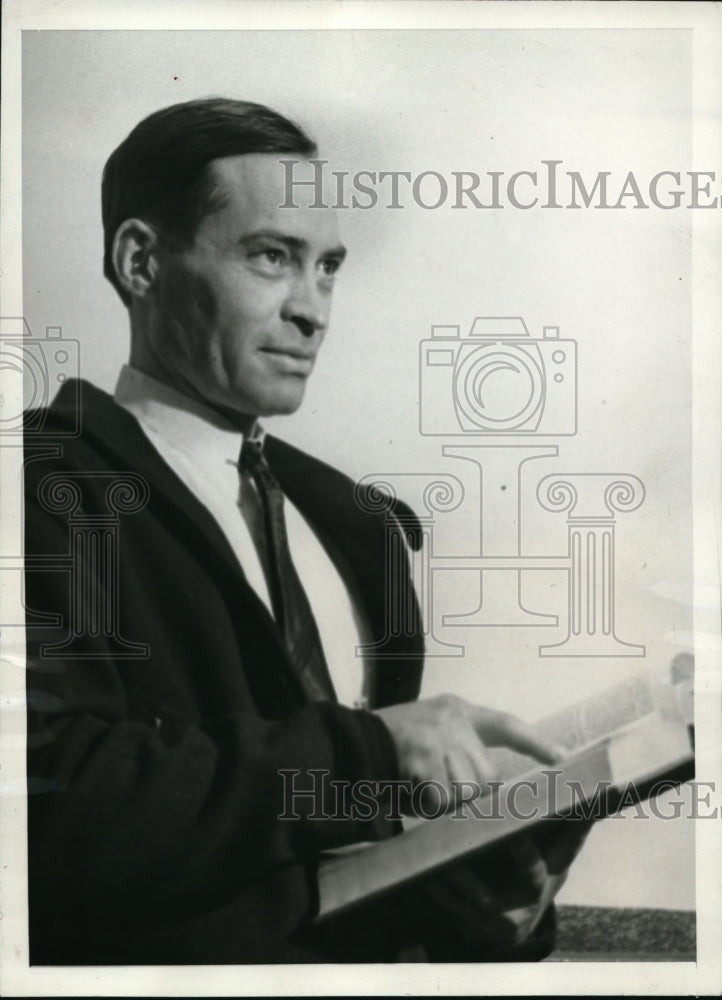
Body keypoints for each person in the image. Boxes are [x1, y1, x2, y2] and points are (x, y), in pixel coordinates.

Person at [24, 97, 584, 965]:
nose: (313, 310)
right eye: (272, 257)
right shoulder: (38, 486)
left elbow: (352, 849)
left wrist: (482, 901)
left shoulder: (356, 525)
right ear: (140, 260)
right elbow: (41, 804)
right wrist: (369, 752)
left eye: (328, 268)